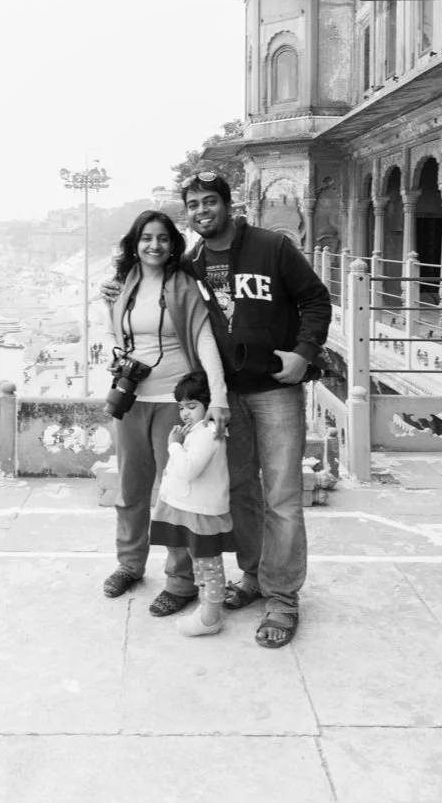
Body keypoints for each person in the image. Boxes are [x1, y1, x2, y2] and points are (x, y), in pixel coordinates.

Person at [180, 171, 331, 650]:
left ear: (229, 204)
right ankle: (254, 577)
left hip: (275, 390)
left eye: (210, 202)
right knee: (241, 490)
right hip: (227, 396)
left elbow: (315, 299)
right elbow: (163, 300)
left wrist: (305, 352)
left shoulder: (272, 247)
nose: (203, 211)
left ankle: (283, 598)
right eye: (195, 205)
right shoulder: (192, 263)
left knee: (282, 497)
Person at [102, 209, 230, 618]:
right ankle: (129, 564)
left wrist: (219, 397)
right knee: (130, 487)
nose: (154, 245)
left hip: (178, 406)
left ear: (173, 244)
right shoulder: (126, 285)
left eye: (162, 238)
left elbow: (204, 339)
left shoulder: (183, 286)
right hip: (132, 400)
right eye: (146, 238)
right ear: (134, 244)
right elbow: (118, 337)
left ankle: (180, 581)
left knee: (175, 493)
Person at [149, 371, 234, 638]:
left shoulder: (208, 433)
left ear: (209, 406)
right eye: (181, 407)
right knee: (200, 562)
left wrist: (173, 445)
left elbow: (189, 469)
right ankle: (205, 608)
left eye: (192, 406)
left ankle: (210, 617)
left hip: (201, 511)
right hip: (192, 508)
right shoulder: (199, 431)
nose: (185, 413)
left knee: (209, 565)